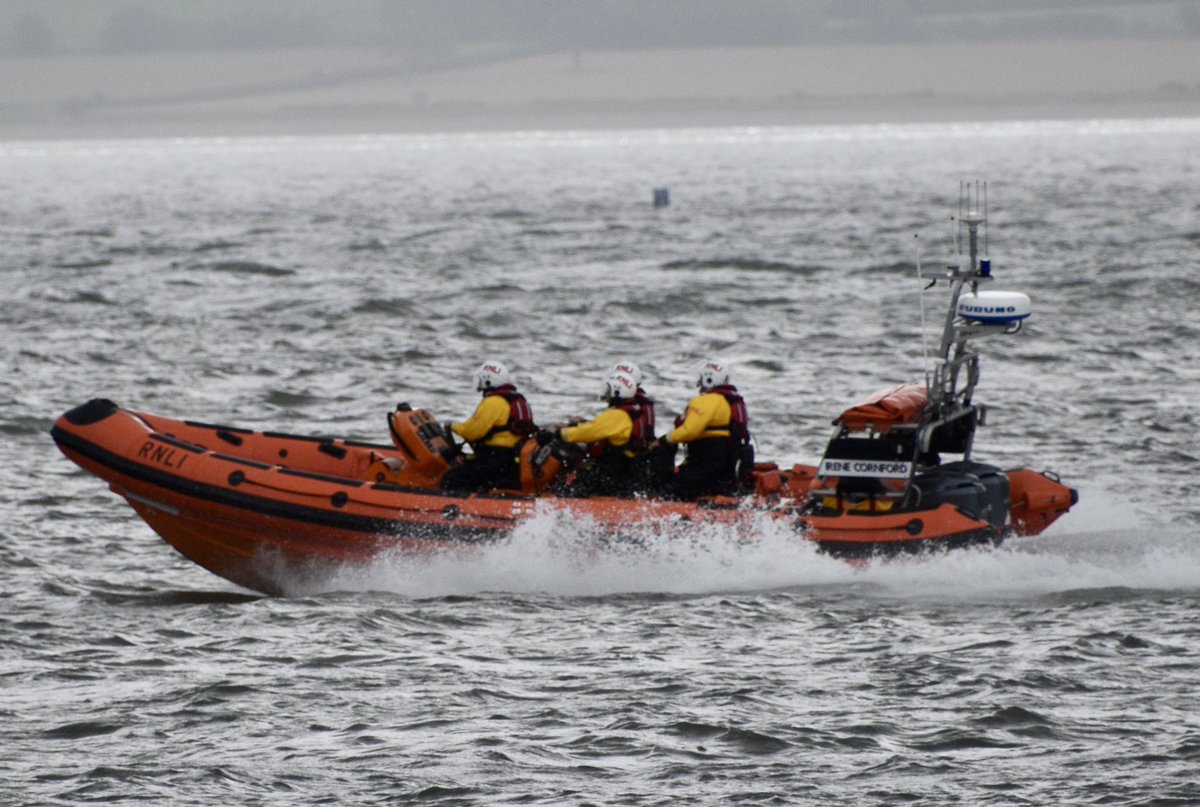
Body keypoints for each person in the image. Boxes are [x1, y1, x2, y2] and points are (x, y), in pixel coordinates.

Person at [653, 359, 752, 500]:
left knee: (670, 490)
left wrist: (663, 440)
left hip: (706, 464)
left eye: (700, 378)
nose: (699, 382)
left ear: (708, 378)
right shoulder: (729, 402)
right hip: (726, 467)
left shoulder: (705, 401)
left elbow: (689, 431)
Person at [547, 369, 652, 497]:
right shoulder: (632, 410)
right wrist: (577, 425)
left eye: (608, 390)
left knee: (573, 488)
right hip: (626, 471)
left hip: (612, 474)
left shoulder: (617, 414)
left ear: (617, 391)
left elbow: (590, 432)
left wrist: (560, 433)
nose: (606, 394)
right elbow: (598, 427)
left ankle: (560, 502)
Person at [440, 360, 535, 492]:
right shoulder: (517, 399)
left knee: (452, 478)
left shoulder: (494, 402)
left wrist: (452, 426)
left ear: (488, 380)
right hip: (511, 461)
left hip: (495, 460)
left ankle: (451, 509)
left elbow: (472, 432)